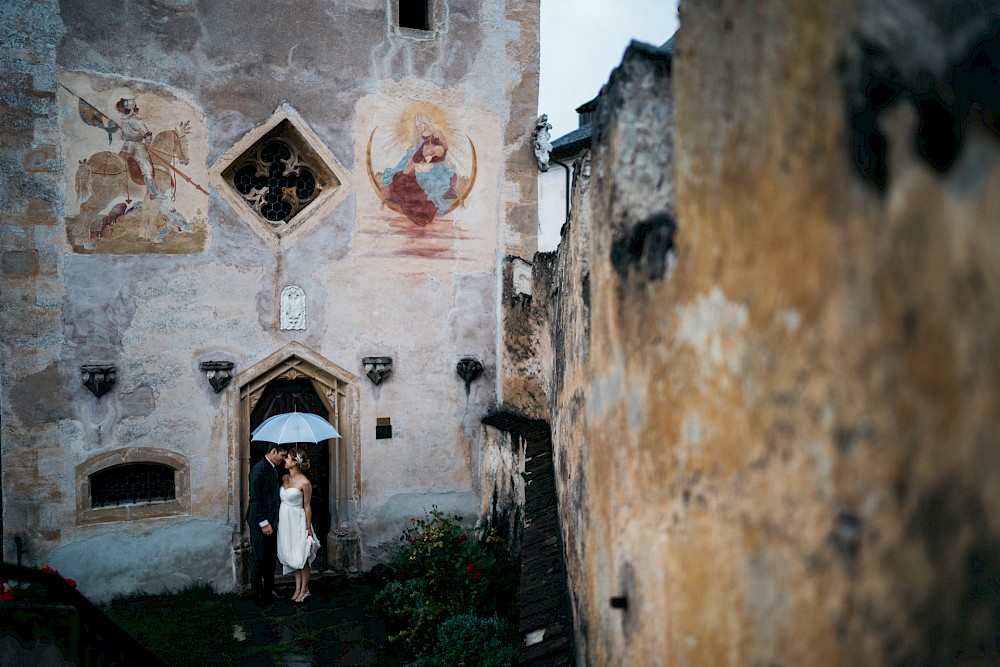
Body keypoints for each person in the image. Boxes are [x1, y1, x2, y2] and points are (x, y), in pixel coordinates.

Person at [381, 113, 459, 226]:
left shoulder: (436, 136)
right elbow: (418, 153)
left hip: (434, 165)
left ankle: (425, 211)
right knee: (399, 176)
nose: (419, 127)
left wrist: (428, 157)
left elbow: (441, 152)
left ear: (426, 123)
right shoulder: (420, 139)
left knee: (418, 180)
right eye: (417, 126)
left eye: (421, 124)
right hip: (419, 162)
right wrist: (413, 159)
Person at [277, 445, 321, 603]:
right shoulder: (284, 478)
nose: (284, 460)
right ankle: (297, 588)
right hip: (285, 521)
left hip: (298, 520)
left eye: (287, 458)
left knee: (302, 555)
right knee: (292, 555)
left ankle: (304, 589)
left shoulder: (305, 482)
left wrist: (308, 527)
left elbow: (307, 506)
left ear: (295, 462)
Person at [247, 443, 288, 606]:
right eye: (282, 455)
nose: (283, 459)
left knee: (270, 560)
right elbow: (255, 499)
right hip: (260, 524)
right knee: (259, 560)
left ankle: (269, 590)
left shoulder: (273, 468)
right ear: (273, 452)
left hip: (272, 523)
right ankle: (258, 596)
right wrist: (264, 523)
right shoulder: (258, 470)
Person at [115, 97, 160, 200]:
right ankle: (154, 192)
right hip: (137, 147)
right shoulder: (136, 121)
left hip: (126, 147)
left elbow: (123, 136)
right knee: (147, 168)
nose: (136, 108)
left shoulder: (124, 121)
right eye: (135, 106)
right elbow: (147, 134)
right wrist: (147, 144)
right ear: (132, 108)